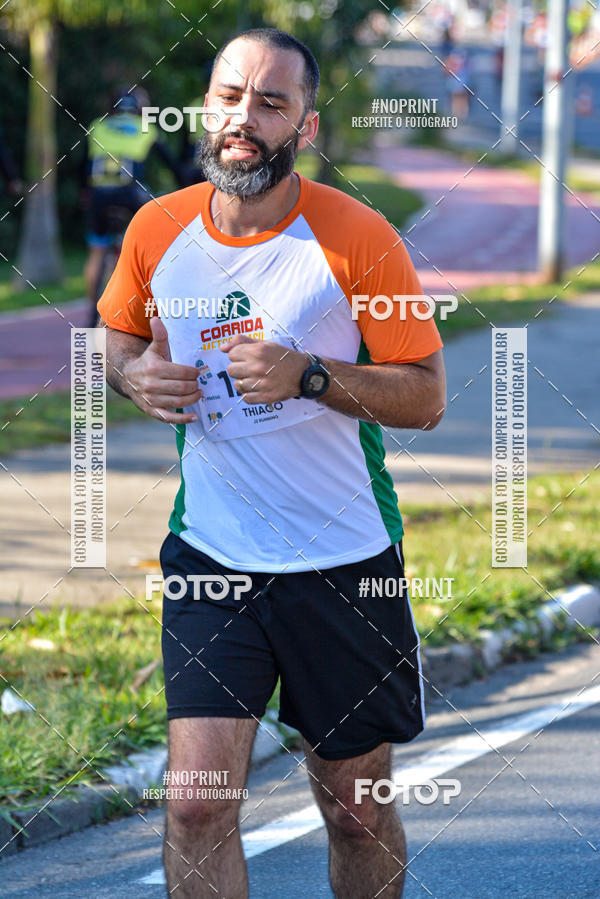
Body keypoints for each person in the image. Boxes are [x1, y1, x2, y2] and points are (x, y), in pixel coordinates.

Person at [99, 27, 446, 898]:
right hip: (212, 558)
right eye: (229, 97)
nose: (243, 118)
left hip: (344, 561)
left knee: (356, 807)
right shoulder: (157, 227)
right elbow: (118, 337)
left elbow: (426, 395)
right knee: (194, 804)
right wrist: (134, 376)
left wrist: (311, 375)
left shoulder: (358, 237)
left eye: (271, 103)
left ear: (306, 126)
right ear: (205, 108)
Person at [81, 86, 180, 325]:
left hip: (99, 195)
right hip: (130, 196)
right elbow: (171, 164)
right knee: (146, 239)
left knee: (96, 252)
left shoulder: (97, 126)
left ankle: (92, 311)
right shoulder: (146, 129)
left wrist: (84, 192)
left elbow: (82, 164)